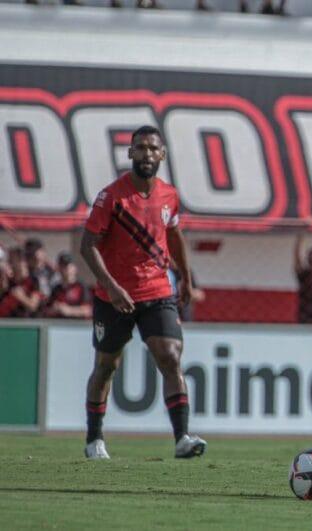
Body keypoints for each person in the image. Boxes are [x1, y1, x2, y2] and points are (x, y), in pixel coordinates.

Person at [80, 125, 206, 460]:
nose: (146, 154)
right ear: (130, 153)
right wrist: (112, 286)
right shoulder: (111, 197)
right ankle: (94, 439)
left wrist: (186, 278)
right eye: (140, 147)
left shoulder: (169, 195)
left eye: (152, 148)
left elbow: (174, 235)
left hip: (158, 290)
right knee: (106, 366)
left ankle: (182, 438)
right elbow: (87, 245)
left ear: (162, 154)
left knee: (170, 356)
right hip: (114, 297)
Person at [45, 253, 92, 319]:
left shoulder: (81, 287)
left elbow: (88, 311)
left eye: (68, 266)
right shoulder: (56, 288)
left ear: (74, 268)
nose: (65, 269)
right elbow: (47, 310)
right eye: (62, 266)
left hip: (77, 324)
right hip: (59, 324)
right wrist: (56, 309)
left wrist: (69, 310)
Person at [0, 247, 43, 318]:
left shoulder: (33, 280)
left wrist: (21, 297)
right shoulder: (8, 281)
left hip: (24, 322)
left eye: (12, 260)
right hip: (6, 321)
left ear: (22, 262)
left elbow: (33, 306)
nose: (9, 263)